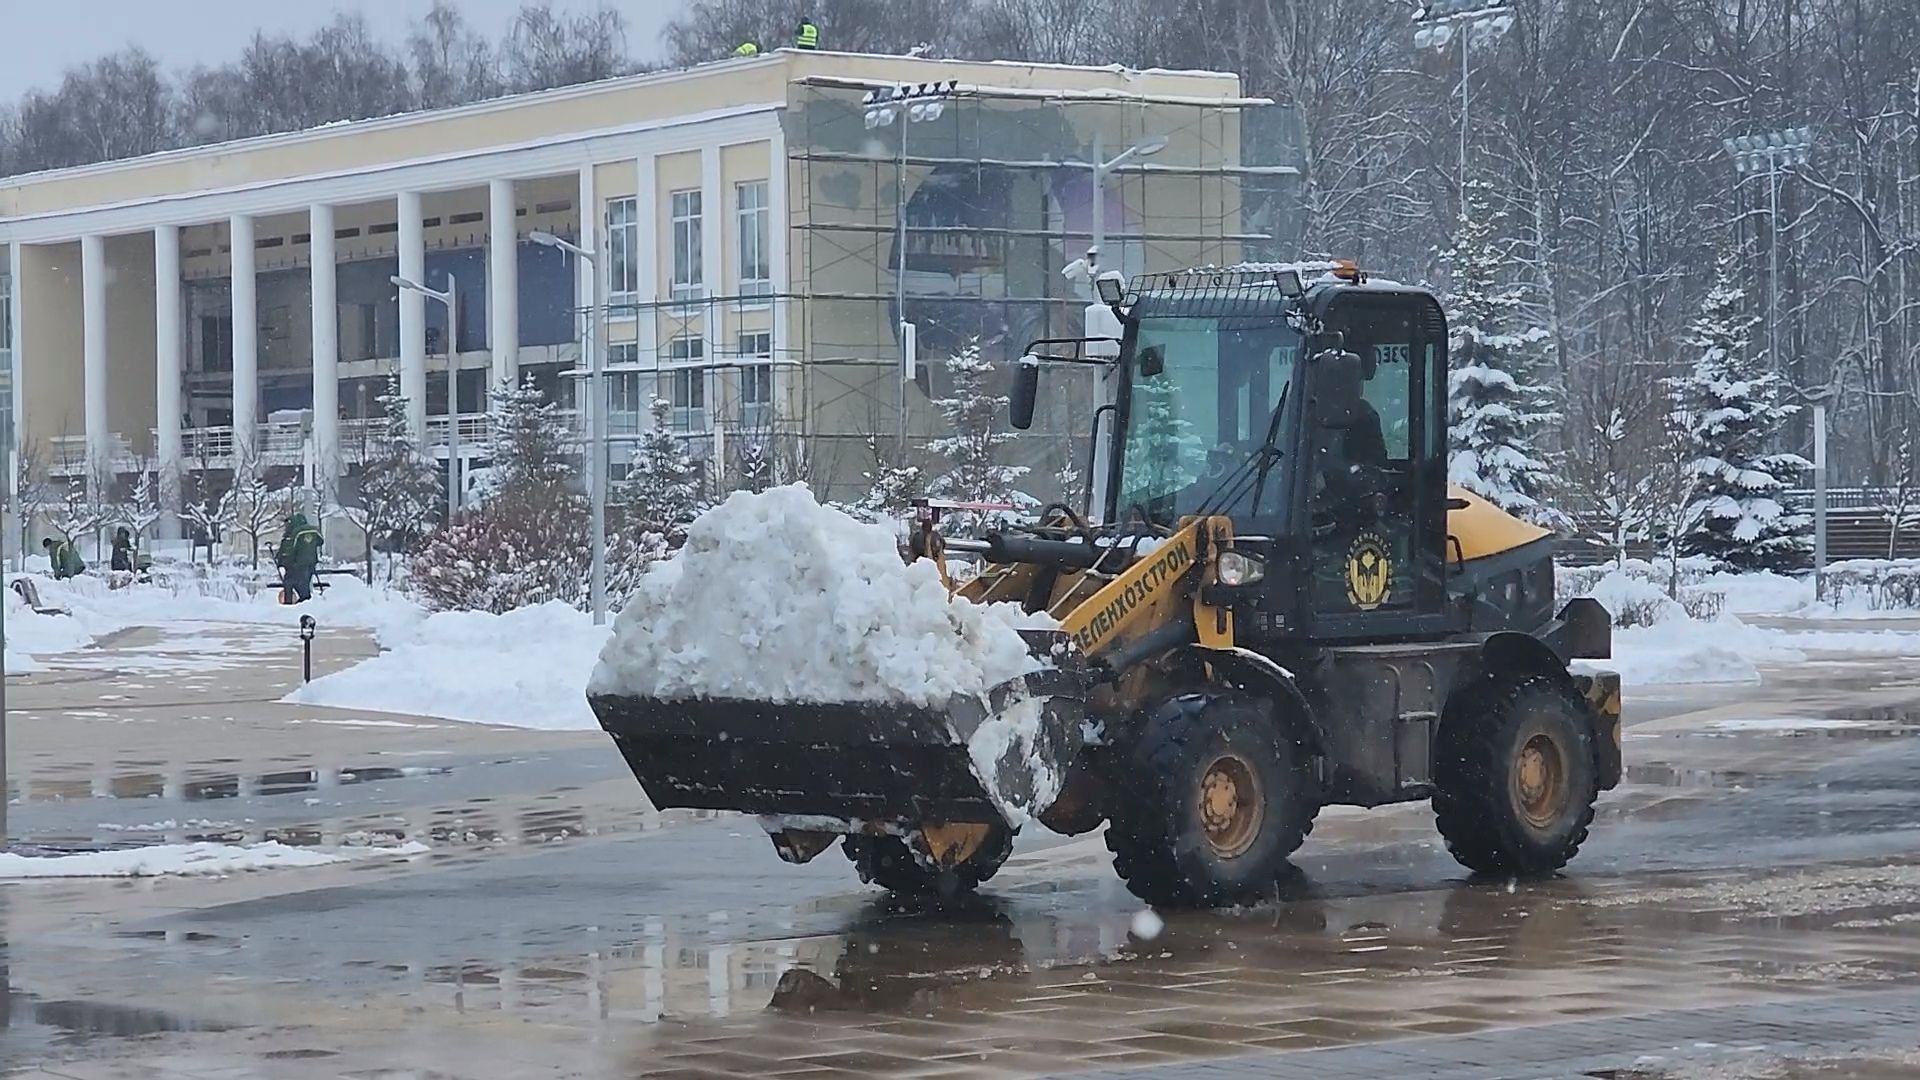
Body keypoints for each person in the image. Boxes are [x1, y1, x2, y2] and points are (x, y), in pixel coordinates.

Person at [276, 512, 324, 603]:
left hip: (296, 565)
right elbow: (320, 541)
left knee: (289, 583)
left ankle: (291, 604)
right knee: (304, 585)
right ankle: (304, 603)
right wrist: (309, 546)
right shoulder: (314, 530)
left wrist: (282, 561)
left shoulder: (295, 532)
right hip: (311, 563)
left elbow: (291, 550)